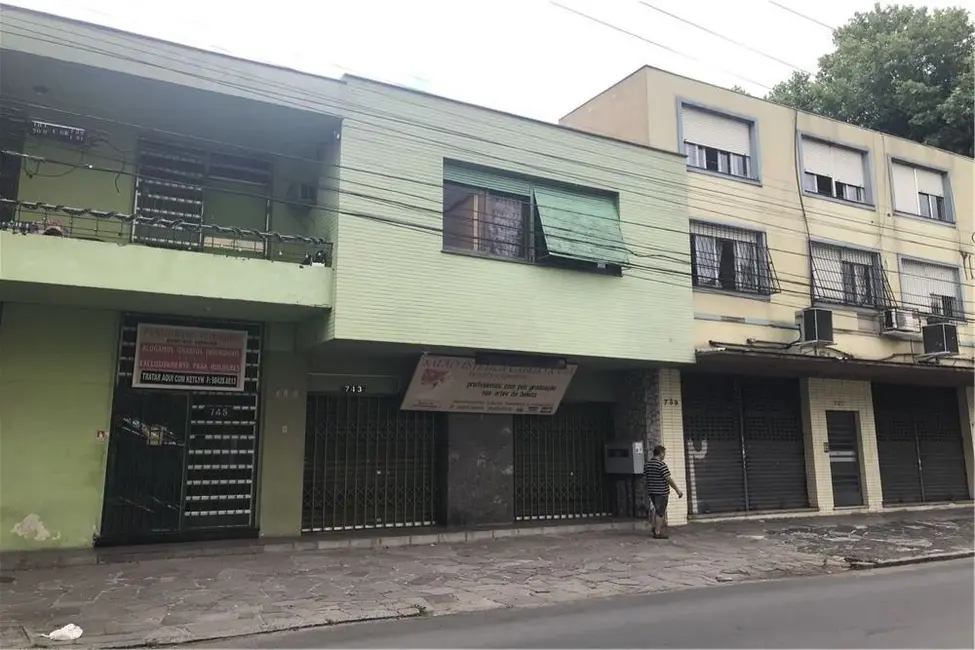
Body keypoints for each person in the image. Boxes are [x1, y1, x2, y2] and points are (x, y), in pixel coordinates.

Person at [644, 444, 682, 539]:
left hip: (652, 491)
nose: (664, 455)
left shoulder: (647, 464)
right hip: (661, 492)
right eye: (664, 453)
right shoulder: (661, 465)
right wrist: (677, 490)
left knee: (657, 510)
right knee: (660, 512)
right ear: (661, 453)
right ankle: (657, 532)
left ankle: (655, 527)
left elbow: (646, 478)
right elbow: (668, 478)